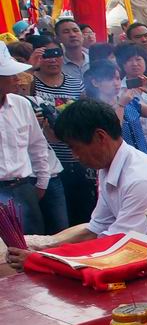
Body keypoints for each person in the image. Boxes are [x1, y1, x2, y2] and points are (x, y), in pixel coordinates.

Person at [5, 99, 147, 269]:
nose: (75, 156)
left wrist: (43, 259)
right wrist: (43, 249)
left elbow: (115, 246)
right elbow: (95, 229)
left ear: (100, 137)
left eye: (75, 147)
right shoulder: (108, 167)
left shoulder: (139, 179)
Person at [31, 37, 94, 225]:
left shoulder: (76, 83)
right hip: (49, 166)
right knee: (59, 220)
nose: (52, 59)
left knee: (83, 213)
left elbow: (84, 115)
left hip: (76, 158)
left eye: (56, 54)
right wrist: (31, 68)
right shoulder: (31, 82)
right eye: (46, 55)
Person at [0, 45, 53, 236]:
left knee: (31, 245)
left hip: (23, 188)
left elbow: (37, 144)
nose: (17, 79)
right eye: (10, 75)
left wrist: (42, 181)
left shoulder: (22, 104)